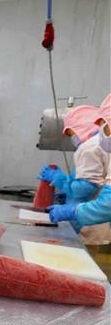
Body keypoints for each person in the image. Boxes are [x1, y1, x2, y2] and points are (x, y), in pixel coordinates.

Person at [48, 95, 111, 227]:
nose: (103, 132)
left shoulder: (88, 147)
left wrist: (72, 210)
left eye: (104, 125)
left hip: (94, 224)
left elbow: (89, 189)